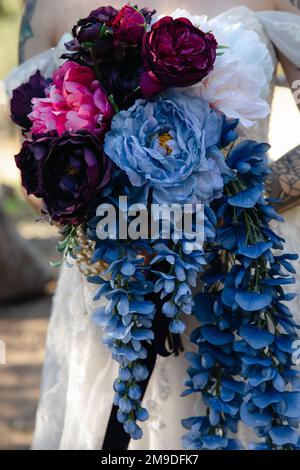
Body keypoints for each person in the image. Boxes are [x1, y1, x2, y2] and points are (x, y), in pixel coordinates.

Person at [6, 0, 300, 450]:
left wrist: (228, 203)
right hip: (116, 287)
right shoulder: (43, 6)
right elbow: (39, 162)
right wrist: (104, 205)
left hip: (244, 275)